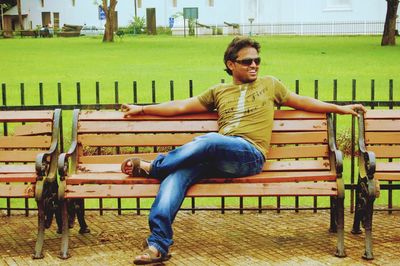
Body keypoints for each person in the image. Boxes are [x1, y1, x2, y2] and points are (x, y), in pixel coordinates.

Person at [120, 37, 367, 265]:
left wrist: (339, 108)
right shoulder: (218, 92)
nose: (254, 65)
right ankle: (158, 246)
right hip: (216, 156)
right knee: (173, 179)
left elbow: (301, 100)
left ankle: (155, 166)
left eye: (257, 60)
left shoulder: (270, 85)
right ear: (231, 64)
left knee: (210, 141)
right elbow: (182, 105)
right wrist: (142, 109)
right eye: (247, 61)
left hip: (249, 155)